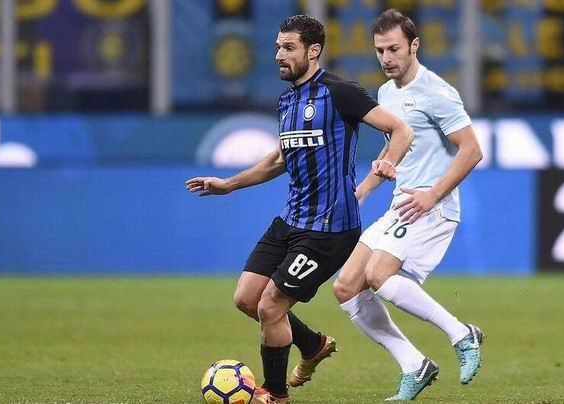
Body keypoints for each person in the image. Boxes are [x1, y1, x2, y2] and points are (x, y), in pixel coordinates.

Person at [186, 15, 413, 404]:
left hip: (330, 229)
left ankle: (275, 394)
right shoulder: (286, 101)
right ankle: (312, 344)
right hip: (291, 221)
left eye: (288, 47)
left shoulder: (340, 93)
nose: (279, 54)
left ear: (313, 51)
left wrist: (387, 162)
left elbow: (401, 130)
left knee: (270, 305)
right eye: (278, 46)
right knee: (247, 299)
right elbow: (278, 160)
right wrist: (229, 184)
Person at [332, 9, 485, 401]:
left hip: (431, 207)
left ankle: (461, 334)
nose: (386, 58)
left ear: (414, 45)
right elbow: (392, 152)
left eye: (394, 49)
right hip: (402, 205)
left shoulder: (437, 92)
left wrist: (432, 195)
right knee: (346, 287)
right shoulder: (386, 94)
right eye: (380, 50)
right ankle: (414, 365)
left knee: (379, 274)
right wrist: (363, 190)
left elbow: (471, 150)